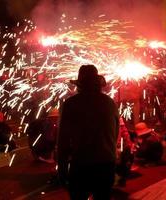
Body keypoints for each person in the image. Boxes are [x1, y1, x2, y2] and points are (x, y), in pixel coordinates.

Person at [58, 65, 119, 200]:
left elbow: (63, 140)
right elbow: (115, 135)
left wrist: (62, 168)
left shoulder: (71, 104)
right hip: (106, 165)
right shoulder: (110, 103)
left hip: (81, 165)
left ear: (80, 84)